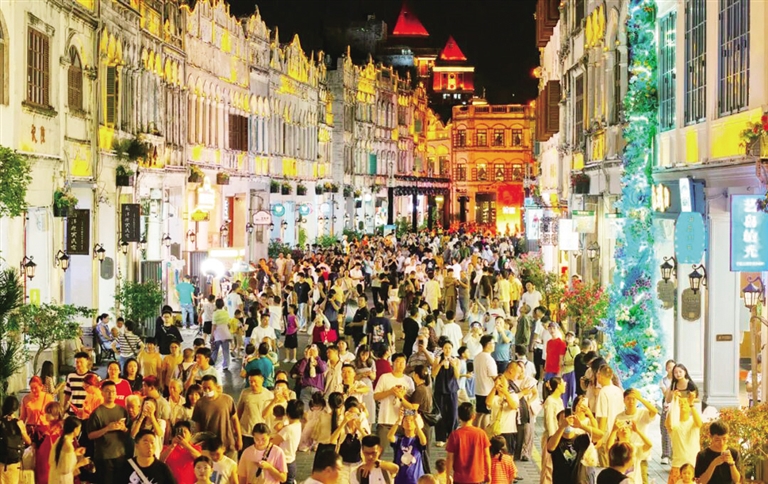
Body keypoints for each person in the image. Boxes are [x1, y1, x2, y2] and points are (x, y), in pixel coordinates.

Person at [86, 379, 130, 484]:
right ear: (102, 393)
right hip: (103, 456)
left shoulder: (122, 410)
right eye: (107, 391)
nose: (111, 394)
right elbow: (90, 435)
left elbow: (129, 432)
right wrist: (107, 429)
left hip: (120, 454)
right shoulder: (97, 413)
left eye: (113, 391)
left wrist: (123, 428)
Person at [374, 353, 417, 449]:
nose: (400, 364)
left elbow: (412, 403)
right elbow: (375, 396)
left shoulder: (408, 380)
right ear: (392, 363)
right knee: (380, 449)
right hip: (385, 420)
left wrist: (402, 395)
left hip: (403, 422)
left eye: (403, 362)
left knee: (403, 450)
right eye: (398, 362)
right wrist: (390, 392)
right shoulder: (384, 377)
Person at [193, 375, 243, 458]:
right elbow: (197, 425)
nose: (207, 390)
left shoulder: (227, 400)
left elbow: (235, 420)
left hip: (228, 444)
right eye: (204, 388)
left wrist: (239, 439)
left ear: (216, 386)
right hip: (210, 447)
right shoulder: (200, 403)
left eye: (209, 387)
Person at [615, 389, 658, 484]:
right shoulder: (619, 416)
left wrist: (640, 398)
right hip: (625, 455)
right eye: (628, 399)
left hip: (641, 452)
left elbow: (654, 411)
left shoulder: (643, 413)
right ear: (624, 400)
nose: (631, 401)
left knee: (642, 479)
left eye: (634, 399)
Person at [445, 402, 491, 484]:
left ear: (459, 416)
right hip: (477, 477)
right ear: (473, 416)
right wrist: (488, 473)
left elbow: (449, 458)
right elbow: (487, 456)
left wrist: (448, 475)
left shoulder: (455, 435)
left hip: (460, 479)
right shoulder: (481, 434)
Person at [666, 391, 703, 484]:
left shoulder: (693, 421)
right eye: (680, 403)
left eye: (685, 402)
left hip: (693, 464)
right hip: (677, 465)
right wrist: (674, 401)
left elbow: (699, 423)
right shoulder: (674, 423)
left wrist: (691, 404)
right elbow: (667, 424)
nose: (682, 404)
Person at [237, 370, 274, 452]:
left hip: (261, 434)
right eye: (250, 381)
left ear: (262, 380)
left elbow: (270, 416)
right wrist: (236, 430)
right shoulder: (245, 393)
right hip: (246, 433)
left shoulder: (269, 395)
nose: (253, 384)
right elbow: (239, 411)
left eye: (255, 381)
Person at [596, 365, 625, 466]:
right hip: (618, 430)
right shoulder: (618, 390)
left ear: (600, 376)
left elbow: (603, 416)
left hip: (607, 432)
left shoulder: (603, 392)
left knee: (606, 464)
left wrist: (599, 437)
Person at [388, 411, 427, 484]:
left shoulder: (417, 440)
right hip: (400, 478)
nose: (408, 422)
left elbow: (424, 441)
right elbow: (390, 437)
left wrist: (417, 424)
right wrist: (398, 421)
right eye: (406, 420)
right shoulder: (399, 439)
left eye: (411, 420)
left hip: (416, 478)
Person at [432, 340, 459, 447]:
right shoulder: (438, 359)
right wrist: (440, 364)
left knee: (453, 413)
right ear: (442, 349)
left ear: (452, 349)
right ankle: (440, 437)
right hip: (440, 389)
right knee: (440, 414)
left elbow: (457, 376)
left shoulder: (456, 360)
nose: (447, 350)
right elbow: (433, 374)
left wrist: (454, 365)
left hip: (452, 390)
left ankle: (452, 436)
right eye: (445, 348)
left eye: (449, 348)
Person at [0, 396, 32, 484]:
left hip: (1, 460)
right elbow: (28, 441)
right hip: (14, 462)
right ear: (16, 408)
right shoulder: (19, 423)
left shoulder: (1, 422)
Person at [49, 416, 91, 484]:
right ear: (75, 429)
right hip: (62, 480)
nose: (80, 430)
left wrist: (75, 453)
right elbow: (67, 470)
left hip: (54, 476)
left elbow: (61, 459)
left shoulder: (60, 439)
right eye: (79, 428)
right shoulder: (68, 446)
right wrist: (82, 463)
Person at [271, 400, 303, 484]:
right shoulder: (298, 425)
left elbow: (272, 443)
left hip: (284, 463)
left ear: (287, 414)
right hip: (291, 462)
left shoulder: (287, 429)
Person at [473, 335, 498, 429]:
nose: (494, 345)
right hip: (487, 391)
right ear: (488, 344)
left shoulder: (477, 357)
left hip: (478, 389)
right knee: (487, 414)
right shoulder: (489, 359)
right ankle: (485, 433)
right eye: (493, 343)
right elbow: (494, 376)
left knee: (479, 413)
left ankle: (476, 431)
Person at [62, 351, 96, 416]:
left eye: (81, 362)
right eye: (77, 362)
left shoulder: (93, 376)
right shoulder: (71, 376)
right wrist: (64, 408)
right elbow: (67, 394)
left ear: (87, 361)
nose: (79, 364)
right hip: (73, 411)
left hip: (88, 412)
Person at [659, 359, 675, 465]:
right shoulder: (663, 381)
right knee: (665, 431)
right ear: (666, 369)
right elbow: (666, 394)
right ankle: (665, 455)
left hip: (677, 407)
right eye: (669, 367)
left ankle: (674, 455)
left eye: (673, 367)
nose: (671, 370)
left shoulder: (680, 381)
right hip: (667, 407)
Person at [211, 299, 234, 371]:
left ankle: (212, 363)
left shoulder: (215, 313)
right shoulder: (226, 313)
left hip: (217, 334)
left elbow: (214, 325)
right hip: (225, 333)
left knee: (215, 350)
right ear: (223, 305)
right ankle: (226, 365)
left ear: (216, 305)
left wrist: (212, 335)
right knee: (225, 350)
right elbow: (228, 324)